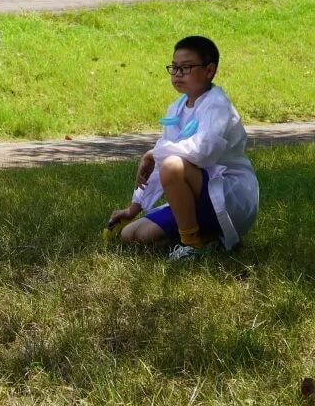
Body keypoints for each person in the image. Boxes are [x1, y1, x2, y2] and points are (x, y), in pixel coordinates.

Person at [106, 36, 259, 261]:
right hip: (197, 198)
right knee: (133, 235)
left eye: (186, 68)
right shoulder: (176, 108)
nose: (177, 74)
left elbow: (202, 152)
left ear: (209, 70)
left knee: (172, 165)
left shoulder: (217, 106)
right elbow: (161, 159)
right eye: (174, 67)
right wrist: (133, 208)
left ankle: (192, 244)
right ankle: (208, 238)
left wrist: (154, 153)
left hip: (225, 196)